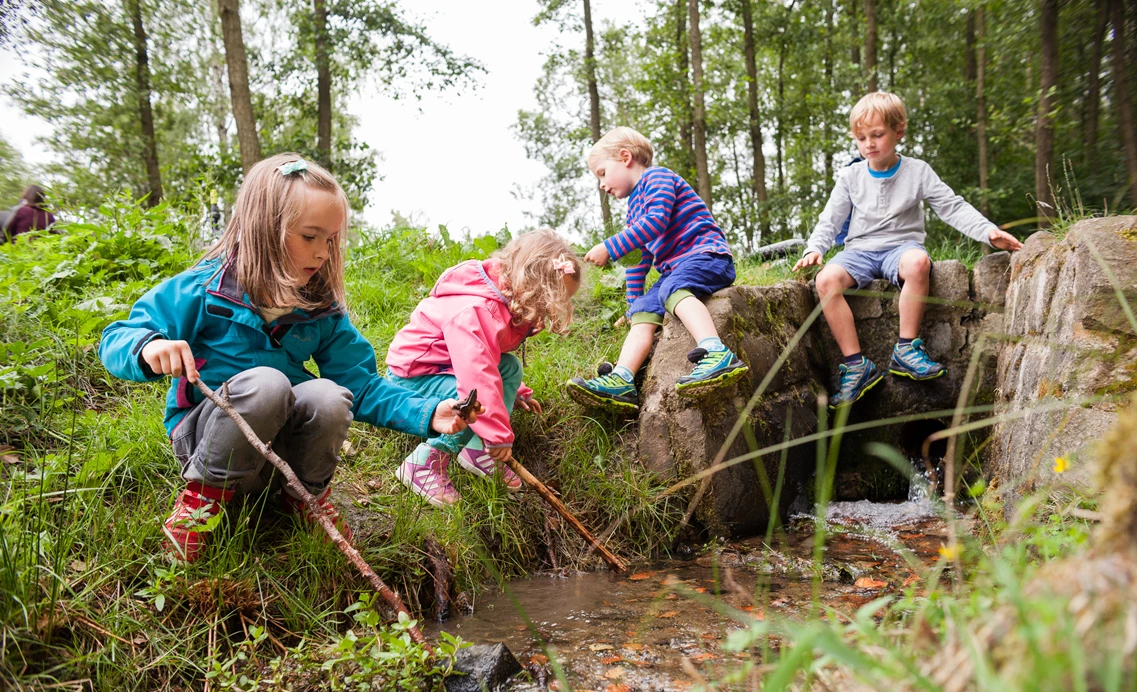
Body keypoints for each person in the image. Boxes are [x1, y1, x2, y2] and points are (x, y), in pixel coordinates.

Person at [98, 154, 476, 562]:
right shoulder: (205, 289)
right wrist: (149, 347)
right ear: (264, 230)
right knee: (267, 383)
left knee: (330, 395)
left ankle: (303, 498)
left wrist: (428, 413)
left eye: (331, 240)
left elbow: (361, 385)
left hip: (281, 455)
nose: (323, 253)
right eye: (310, 236)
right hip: (206, 443)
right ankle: (200, 505)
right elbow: (119, 337)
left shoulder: (319, 307)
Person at [793, 91, 1022, 409]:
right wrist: (814, 247)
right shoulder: (850, 176)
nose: (869, 144)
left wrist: (987, 230)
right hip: (858, 250)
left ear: (898, 131)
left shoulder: (917, 171)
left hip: (901, 247)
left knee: (917, 263)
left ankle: (906, 349)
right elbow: (830, 220)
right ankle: (856, 366)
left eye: (877, 135)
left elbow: (951, 207)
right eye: (861, 138)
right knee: (825, 280)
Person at [385, 228, 581, 506]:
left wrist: (517, 392)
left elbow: (488, 357)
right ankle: (425, 462)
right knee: (474, 401)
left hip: (445, 366)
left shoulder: (506, 300)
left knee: (510, 369)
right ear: (533, 286)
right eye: (550, 300)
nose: (551, 309)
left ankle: (478, 452)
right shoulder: (477, 310)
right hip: (413, 377)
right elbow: (475, 375)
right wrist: (498, 435)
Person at [566, 127, 748, 414]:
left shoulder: (657, 178)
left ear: (625, 157)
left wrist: (610, 247)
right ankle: (623, 379)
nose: (601, 184)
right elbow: (640, 260)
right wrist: (632, 306)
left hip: (706, 255)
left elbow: (657, 221)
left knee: (671, 288)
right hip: (677, 269)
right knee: (645, 310)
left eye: (602, 173)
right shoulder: (632, 209)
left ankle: (716, 351)